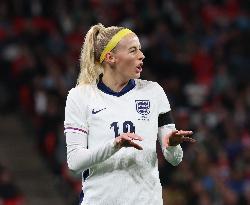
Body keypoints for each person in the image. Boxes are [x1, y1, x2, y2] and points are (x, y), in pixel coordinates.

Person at [64, 23, 196, 205]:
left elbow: (174, 159)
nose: (141, 56)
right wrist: (114, 145)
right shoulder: (80, 96)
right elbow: (74, 162)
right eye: (133, 50)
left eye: (140, 50)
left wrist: (172, 145)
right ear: (111, 57)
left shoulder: (153, 92)